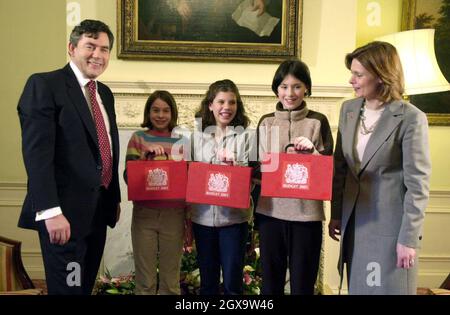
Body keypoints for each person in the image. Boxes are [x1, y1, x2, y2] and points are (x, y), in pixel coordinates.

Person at [17, 20, 121, 295]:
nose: (98, 55)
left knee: (83, 288)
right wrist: (51, 211)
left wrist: (114, 198)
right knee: (69, 290)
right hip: (64, 217)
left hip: (98, 213)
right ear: (72, 48)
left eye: (104, 49)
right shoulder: (45, 85)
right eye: (90, 46)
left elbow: (106, 147)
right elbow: (37, 155)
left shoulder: (105, 94)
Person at [328, 41, 431, 295]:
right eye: (352, 73)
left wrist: (408, 239)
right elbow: (339, 165)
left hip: (391, 231)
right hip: (354, 226)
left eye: (358, 74)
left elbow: (418, 185)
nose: (351, 80)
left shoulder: (411, 118)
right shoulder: (349, 109)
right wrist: (337, 213)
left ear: (382, 75)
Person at [254, 59, 333, 295]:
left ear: (306, 88)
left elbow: (329, 170)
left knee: (302, 285)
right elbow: (256, 169)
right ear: (276, 89)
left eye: (297, 86)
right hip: (270, 215)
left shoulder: (318, 121)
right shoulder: (265, 122)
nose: (290, 93)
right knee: (271, 285)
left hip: (306, 218)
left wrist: (313, 153)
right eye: (284, 87)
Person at [124, 90, 192, 295]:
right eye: (155, 110)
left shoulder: (182, 141)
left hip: (175, 215)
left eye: (165, 110)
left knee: (170, 280)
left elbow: (188, 180)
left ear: (172, 113)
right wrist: (146, 157)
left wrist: (189, 217)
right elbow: (129, 178)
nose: (160, 115)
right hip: (145, 214)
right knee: (145, 280)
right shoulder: (138, 138)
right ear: (148, 112)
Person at [191, 79, 253, 295]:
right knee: (207, 282)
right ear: (210, 105)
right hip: (202, 218)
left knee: (232, 284)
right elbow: (190, 176)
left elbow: (252, 178)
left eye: (232, 102)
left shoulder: (246, 136)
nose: (227, 107)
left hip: (234, 220)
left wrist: (236, 165)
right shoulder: (195, 137)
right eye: (221, 102)